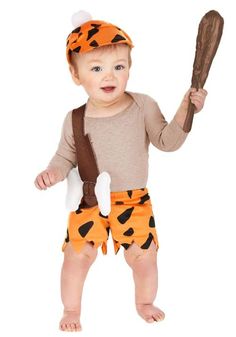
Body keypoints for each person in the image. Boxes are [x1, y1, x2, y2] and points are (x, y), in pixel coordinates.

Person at [34, 11, 207, 332]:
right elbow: (63, 157)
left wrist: (186, 109)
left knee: (145, 257)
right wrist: (52, 173)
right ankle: (71, 310)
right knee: (76, 255)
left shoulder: (143, 106)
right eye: (96, 68)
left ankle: (144, 302)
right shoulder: (75, 118)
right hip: (89, 202)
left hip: (134, 201)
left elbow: (167, 142)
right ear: (75, 74)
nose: (108, 76)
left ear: (129, 68)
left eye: (119, 67)